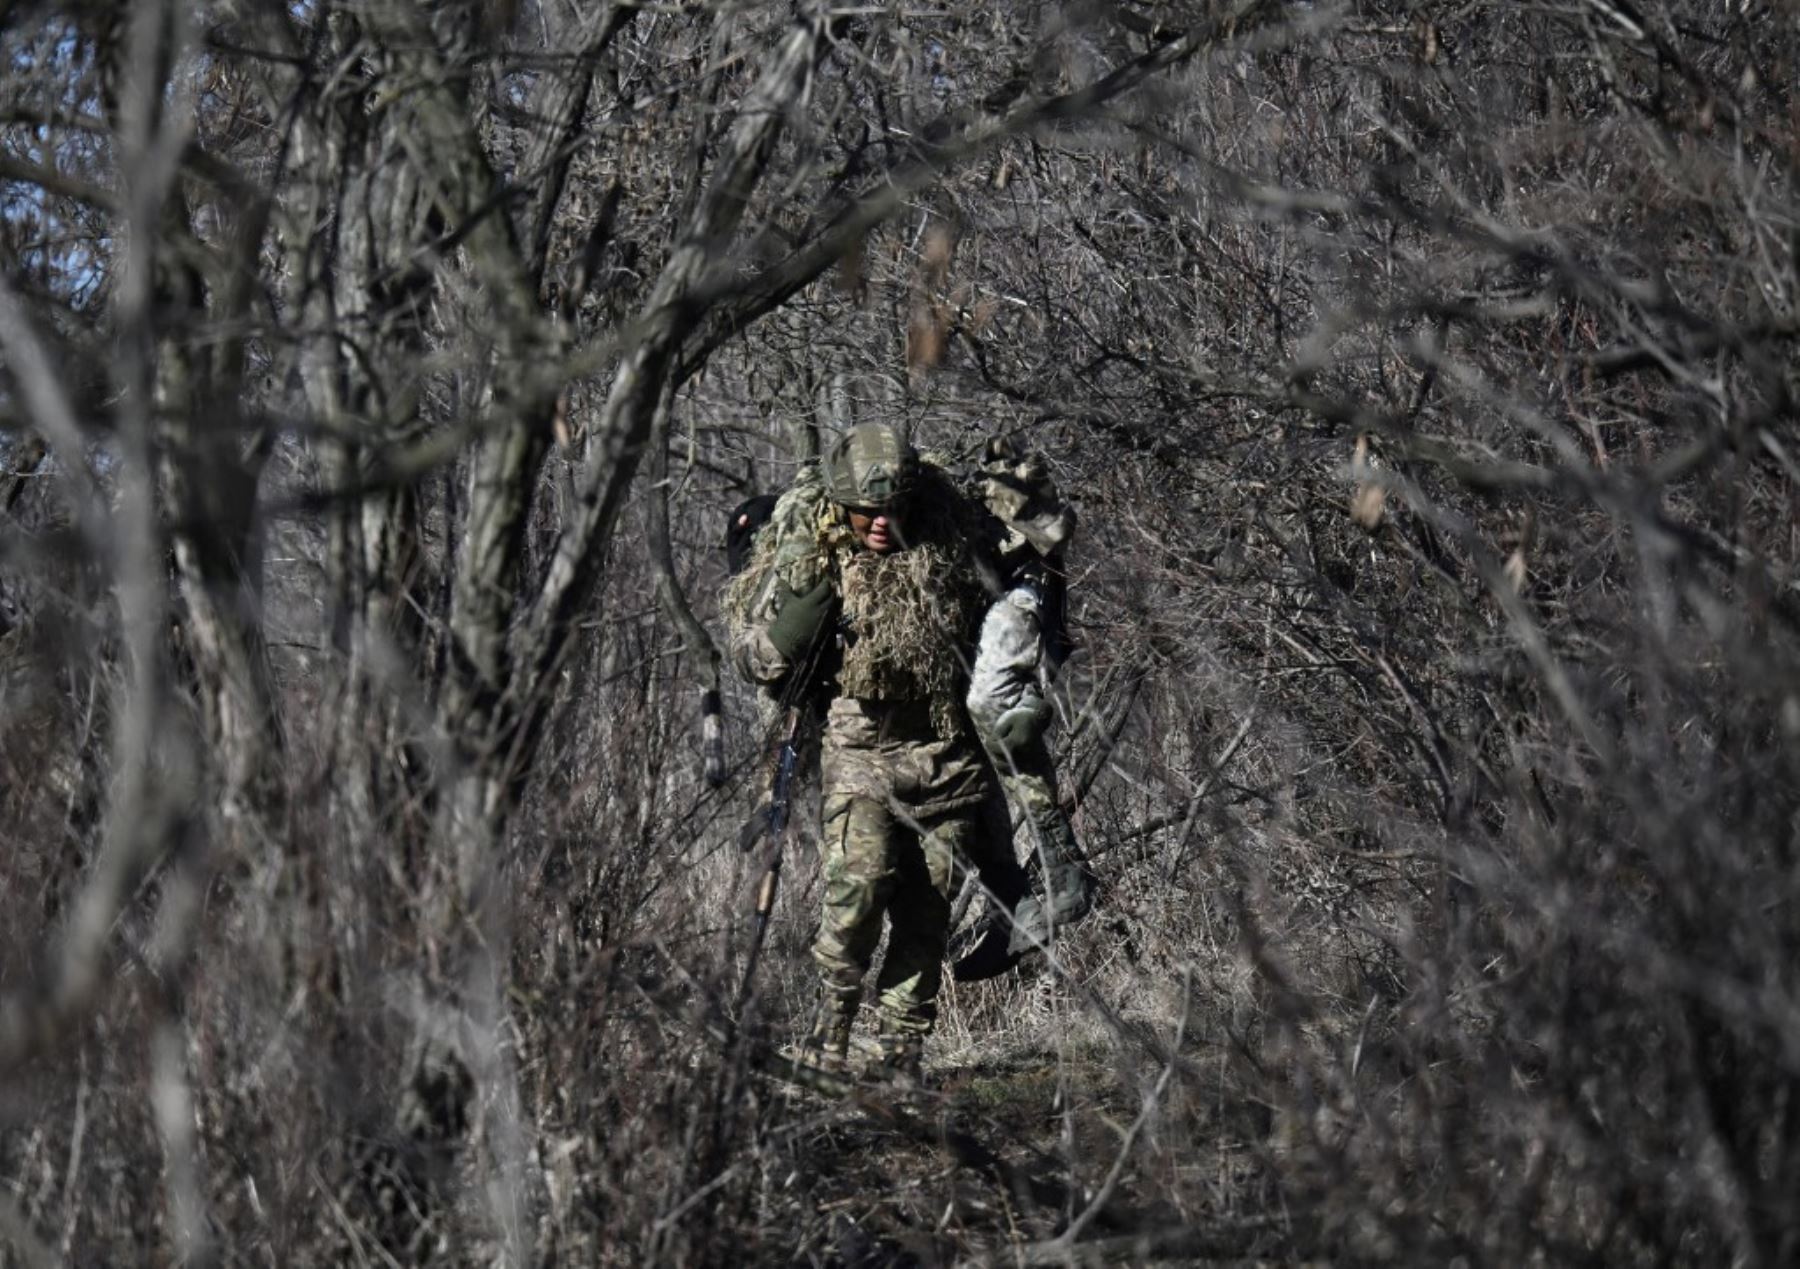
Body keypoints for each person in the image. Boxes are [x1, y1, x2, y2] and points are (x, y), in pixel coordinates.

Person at [726, 423, 1001, 1078]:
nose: (881, 523)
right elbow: (755, 653)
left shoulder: (947, 546)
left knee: (927, 907)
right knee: (857, 892)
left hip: (943, 743)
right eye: (866, 512)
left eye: (892, 510)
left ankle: (901, 1051)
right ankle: (830, 1038)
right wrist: (803, 617)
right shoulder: (809, 552)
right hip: (859, 739)